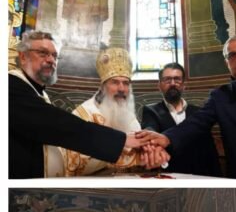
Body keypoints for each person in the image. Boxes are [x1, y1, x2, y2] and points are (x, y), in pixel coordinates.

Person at [9, 30, 166, 179]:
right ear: (23, 57)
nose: (51, 60)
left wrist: (151, 152)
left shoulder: (39, 93)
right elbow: (55, 126)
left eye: (55, 55)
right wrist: (123, 141)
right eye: (43, 53)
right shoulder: (10, 85)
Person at [137, 34, 236, 178]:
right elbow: (196, 123)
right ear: (227, 63)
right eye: (232, 56)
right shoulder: (220, 96)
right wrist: (166, 138)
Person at [51, 46, 145, 176]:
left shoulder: (131, 120)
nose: (122, 88)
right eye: (115, 82)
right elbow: (72, 162)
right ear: (103, 86)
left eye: (126, 83)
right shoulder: (84, 114)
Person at [141, 63, 221, 176]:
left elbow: (209, 150)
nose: (173, 83)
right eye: (167, 80)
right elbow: (150, 131)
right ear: (159, 85)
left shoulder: (199, 113)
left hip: (198, 176)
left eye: (177, 79)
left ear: (184, 85)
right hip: (168, 175)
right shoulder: (151, 111)